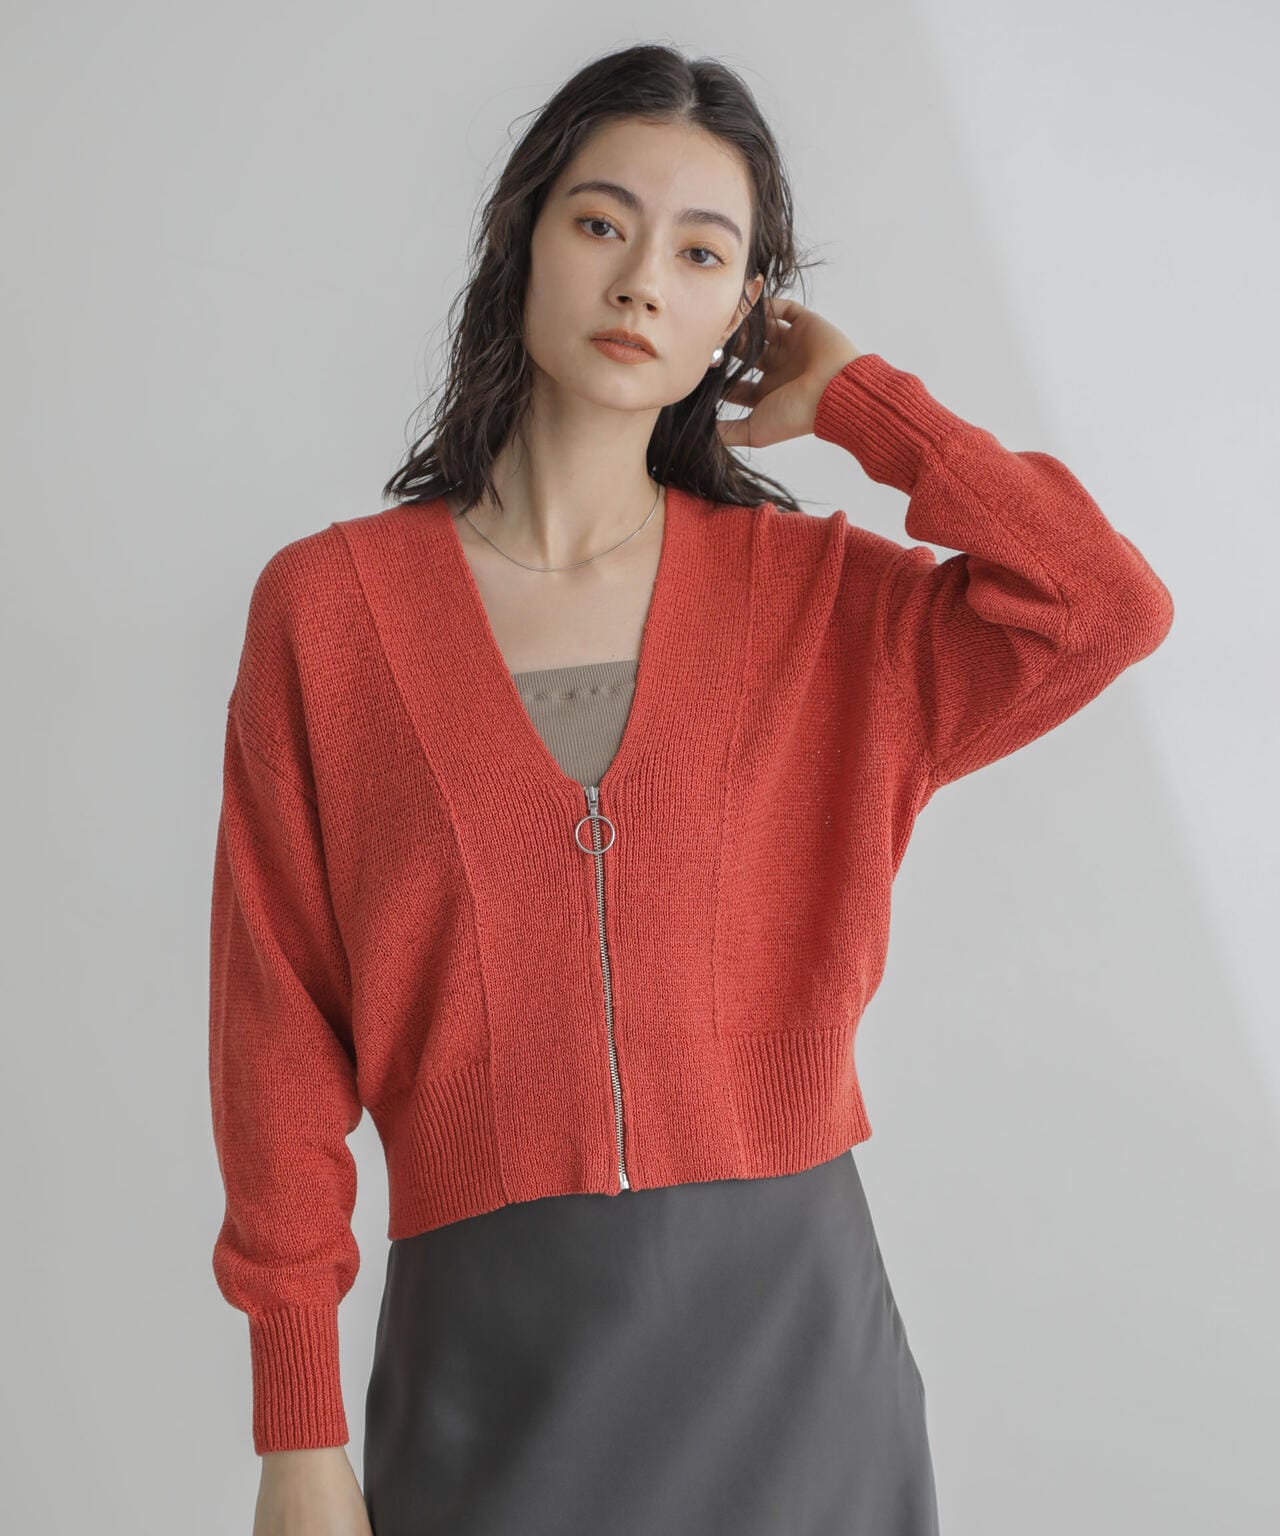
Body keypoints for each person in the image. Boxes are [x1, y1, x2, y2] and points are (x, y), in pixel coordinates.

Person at [207, 43, 1174, 1536]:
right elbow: (274, 1031)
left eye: (702, 253)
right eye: (602, 222)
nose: (641, 282)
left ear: (744, 314)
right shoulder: (332, 613)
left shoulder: (823, 610)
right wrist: (298, 1432)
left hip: (793, 1350)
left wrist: (863, 404)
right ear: (523, 237)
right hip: (491, 1357)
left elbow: (1103, 606)